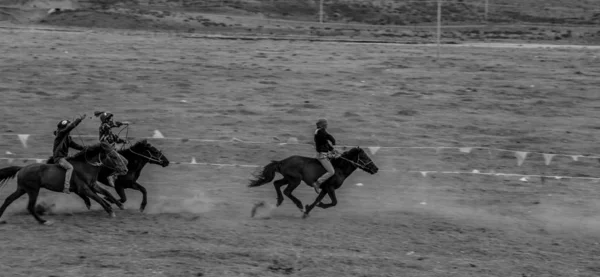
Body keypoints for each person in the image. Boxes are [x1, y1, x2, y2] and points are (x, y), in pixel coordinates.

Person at [53, 114, 86, 194]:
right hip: (59, 158)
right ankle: (66, 187)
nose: (69, 127)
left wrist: (85, 148)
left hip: (64, 157)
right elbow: (70, 127)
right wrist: (79, 119)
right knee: (70, 167)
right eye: (67, 125)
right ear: (64, 127)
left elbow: (75, 145)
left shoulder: (67, 137)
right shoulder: (61, 134)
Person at [94, 111, 128, 188]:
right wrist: (121, 123)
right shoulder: (103, 126)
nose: (111, 120)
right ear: (105, 120)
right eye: (109, 118)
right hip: (107, 148)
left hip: (112, 149)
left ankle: (114, 175)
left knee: (125, 162)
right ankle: (110, 177)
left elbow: (115, 138)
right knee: (123, 169)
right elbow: (110, 125)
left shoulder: (109, 131)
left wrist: (123, 141)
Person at [313, 118, 339, 193]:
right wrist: (333, 141)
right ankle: (318, 183)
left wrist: (332, 149)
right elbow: (328, 136)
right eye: (325, 124)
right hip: (322, 155)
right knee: (331, 172)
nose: (327, 125)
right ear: (322, 125)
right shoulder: (321, 131)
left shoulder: (319, 132)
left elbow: (325, 143)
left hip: (323, 153)